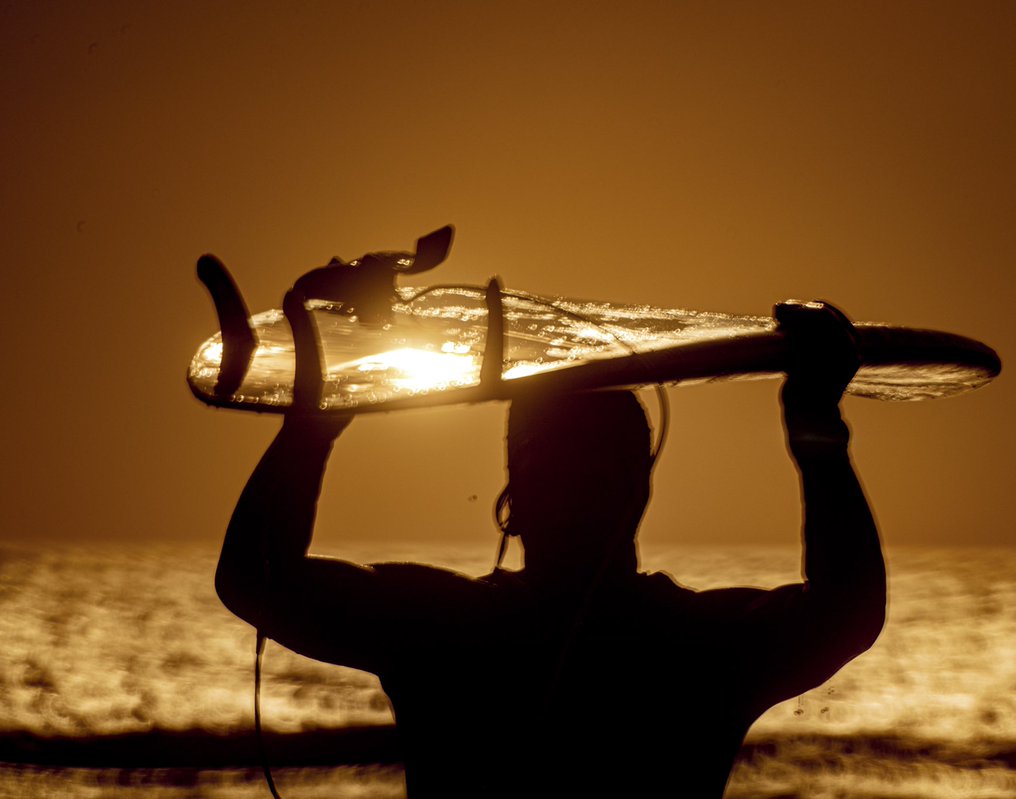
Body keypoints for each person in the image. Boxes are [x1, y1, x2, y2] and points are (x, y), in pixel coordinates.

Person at [214, 300, 886, 798]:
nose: (578, 486)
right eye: (568, 467)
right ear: (642, 486)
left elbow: (255, 577)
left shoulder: (443, 628)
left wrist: (311, 433)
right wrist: (815, 427)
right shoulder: (698, 645)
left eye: (589, 468)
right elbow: (846, 612)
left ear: (513, 493)